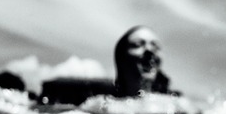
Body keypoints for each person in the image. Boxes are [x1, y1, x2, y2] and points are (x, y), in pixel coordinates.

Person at [39, 25, 177, 104]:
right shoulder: (99, 102)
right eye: (137, 45)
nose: (149, 50)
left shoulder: (173, 105)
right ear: (120, 58)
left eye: (156, 46)